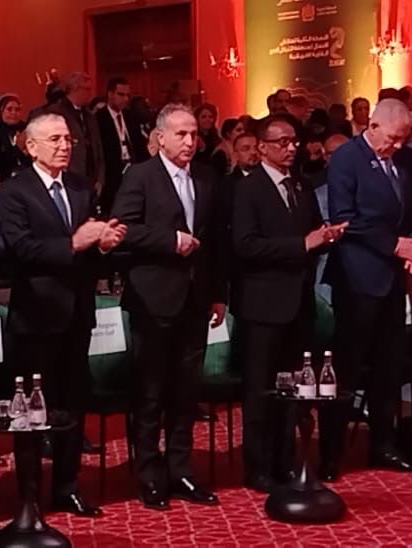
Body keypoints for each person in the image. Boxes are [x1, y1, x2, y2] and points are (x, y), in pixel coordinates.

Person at [0, 113, 124, 517]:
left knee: (72, 405)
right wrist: (73, 244)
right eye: (54, 139)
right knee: (33, 413)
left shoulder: (81, 186)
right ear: (31, 146)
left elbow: (90, 254)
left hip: (77, 314)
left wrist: (104, 246)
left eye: (68, 139)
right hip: (36, 315)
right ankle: (29, 494)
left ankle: (67, 485)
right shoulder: (15, 191)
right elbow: (18, 250)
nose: (65, 146)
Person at [111, 103, 226, 510]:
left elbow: (215, 240)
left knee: (185, 392)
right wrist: (170, 240)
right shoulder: (140, 176)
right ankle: (148, 473)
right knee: (151, 392)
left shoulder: (207, 177)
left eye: (194, 134)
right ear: (160, 138)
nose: (190, 141)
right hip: (153, 298)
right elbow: (122, 230)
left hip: (195, 299)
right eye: (181, 134)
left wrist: (218, 293)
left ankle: (181, 470)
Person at [231, 116, 345, 493]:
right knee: (261, 391)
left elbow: (312, 235)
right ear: (262, 147)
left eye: (294, 141)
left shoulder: (301, 185)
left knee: (292, 389)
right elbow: (245, 245)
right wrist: (302, 244)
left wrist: (326, 237)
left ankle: (285, 461)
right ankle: (258, 467)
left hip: (298, 302)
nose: (291, 148)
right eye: (282, 142)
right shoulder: (248, 189)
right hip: (262, 305)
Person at [322, 98, 412, 478]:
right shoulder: (346, 158)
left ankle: (384, 444)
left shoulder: (405, 158)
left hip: (393, 277)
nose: (398, 146)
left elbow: (410, 213)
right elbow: (344, 219)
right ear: (372, 126)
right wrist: (395, 246)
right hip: (357, 276)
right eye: (393, 138)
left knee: (390, 364)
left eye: (404, 139)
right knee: (348, 366)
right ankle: (330, 451)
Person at [96, 77, 149, 215]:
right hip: (112, 174)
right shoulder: (98, 118)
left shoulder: (130, 117)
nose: (125, 99)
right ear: (110, 94)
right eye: (121, 94)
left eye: (127, 95)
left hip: (133, 171)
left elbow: (140, 147)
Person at [46, 72, 104, 189]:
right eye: (87, 89)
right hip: (68, 176)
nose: (90, 93)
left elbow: (98, 147)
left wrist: (100, 178)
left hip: (91, 177)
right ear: (74, 89)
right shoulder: (56, 112)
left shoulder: (89, 115)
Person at [0, 94, 28, 181]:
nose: (13, 113)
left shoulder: (25, 128)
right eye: (9, 109)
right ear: (1, 111)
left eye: (17, 109)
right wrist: (18, 148)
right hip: (1, 177)